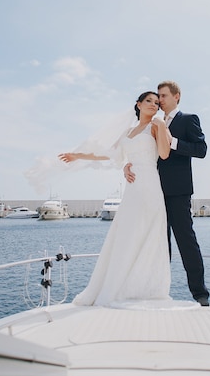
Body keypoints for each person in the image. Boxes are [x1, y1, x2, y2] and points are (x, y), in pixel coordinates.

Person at [59, 92, 173, 306]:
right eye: (148, 101)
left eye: (157, 103)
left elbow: (164, 154)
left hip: (149, 183)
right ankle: (121, 285)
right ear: (138, 104)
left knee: (148, 232)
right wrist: (77, 156)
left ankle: (145, 288)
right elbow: (106, 154)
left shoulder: (156, 126)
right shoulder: (128, 132)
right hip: (132, 187)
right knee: (127, 233)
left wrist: (162, 125)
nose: (153, 105)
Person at [124, 80, 209, 306]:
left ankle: (200, 294)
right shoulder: (152, 123)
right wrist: (127, 165)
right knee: (158, 244)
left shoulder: (188, 119)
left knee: (186, 241)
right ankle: (155, 292)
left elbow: (201, 150)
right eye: (157, 97)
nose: (159, 100)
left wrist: (174, 142)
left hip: (178, 192)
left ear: (176, 96)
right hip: (152, 191)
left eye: (162, 96)